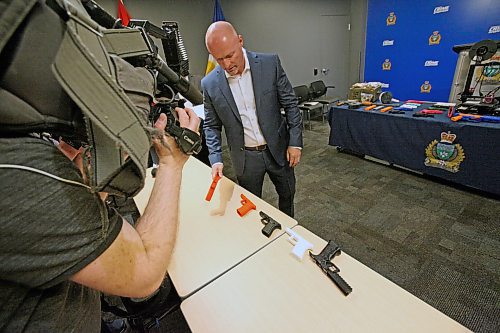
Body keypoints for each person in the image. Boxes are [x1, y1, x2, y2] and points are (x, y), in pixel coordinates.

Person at [0, 1, 200, 331]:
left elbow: (82, 206)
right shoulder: (20, 171)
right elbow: (145, 272)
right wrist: (171, 163)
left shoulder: (21, 143)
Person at [202, 21, 303, 217]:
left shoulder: (269, 64)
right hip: (246, 159)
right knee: (251, 206)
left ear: (240, 41)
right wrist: (215, 159)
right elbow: (211, 126)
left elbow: (291, 104)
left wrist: (295, 143)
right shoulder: (210, 84)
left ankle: (289, 229)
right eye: (219, 59)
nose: (226, 65)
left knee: (287, 194)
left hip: (279, 150)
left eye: (230, 56)